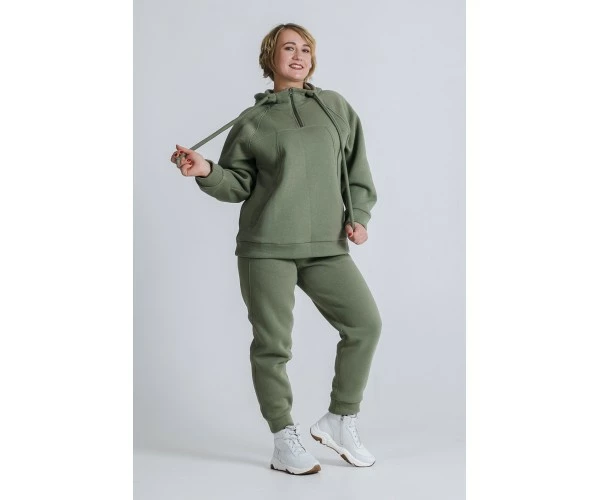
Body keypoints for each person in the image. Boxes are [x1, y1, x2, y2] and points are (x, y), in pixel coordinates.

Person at [169, 23, 382, 475]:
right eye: (289, 47)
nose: (299, 55)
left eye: (306, 48)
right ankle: (283, 438)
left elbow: (356, 169)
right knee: (273, 345)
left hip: (326, 245)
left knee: (365, 324)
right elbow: (237, 183)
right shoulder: (253, 120)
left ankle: (340, 418)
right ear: (271, 58)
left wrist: (358, 217)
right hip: (266, 247)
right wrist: (205, 169)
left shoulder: (335, 107)